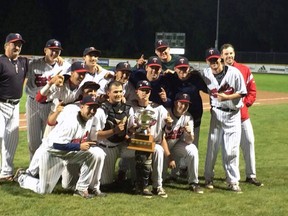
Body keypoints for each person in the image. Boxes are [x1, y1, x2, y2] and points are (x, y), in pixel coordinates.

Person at [13, 95, 106, 198]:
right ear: (82, 106)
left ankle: (82, 189)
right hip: (51, 153)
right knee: (43, 190)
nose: (93, 111)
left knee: (97, 153)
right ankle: (22, 177)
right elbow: (57, 144)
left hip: (68, 152)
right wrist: (79, 146)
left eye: (95, 108)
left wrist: (80, 146)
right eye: (90, 107)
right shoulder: (71, 123)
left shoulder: (89, 118)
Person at [200, 48, 247, 193]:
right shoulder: (205, 73)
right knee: (212, 147)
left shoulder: (234, 73)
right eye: (211, 60)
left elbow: (242, 92)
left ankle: (233, 181)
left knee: (231, 150)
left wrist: (227, 97)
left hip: (233, 115)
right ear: (207, 62)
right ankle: (208, 178)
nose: (214, 63)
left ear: (220, 58)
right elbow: (190, 73)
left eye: (216, 59)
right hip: (216, 114)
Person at [220, 43, 263, 187]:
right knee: (230, 148)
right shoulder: (219, 71)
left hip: (242, 116)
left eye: (231, 53)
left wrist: (245, 104)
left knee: (249, 142)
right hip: (225, 117)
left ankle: (251, 175)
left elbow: (252, 90)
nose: (229, 56)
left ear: (234, 54)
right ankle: (231, 177)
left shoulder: (244, 69)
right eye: (226, 54)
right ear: (221, 56)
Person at [25, 39, 71, 160]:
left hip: (52, 104)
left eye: (58, 51)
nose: (55, 53)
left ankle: (47, 167)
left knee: (50, 138)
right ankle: (33, 169)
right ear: (45, 50)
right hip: (33, 103)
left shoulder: (65, 66)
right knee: (33, 141)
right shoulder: (33, 64)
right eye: (52, 50)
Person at [127, 80, 168, 198]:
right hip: (133, 143)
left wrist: (169, 123)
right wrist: (138, 127)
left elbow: (169, 122)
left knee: (159, 150)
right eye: (142, 90)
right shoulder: (131, 108)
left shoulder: (158, 108)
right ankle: (140, 184)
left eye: (147, 91)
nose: (145, 93)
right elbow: (129, 129)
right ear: (136, 92)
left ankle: (157, 185)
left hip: (151, 143)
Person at [90, 80, 135, 187]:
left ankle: (137, 180)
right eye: (115, 92)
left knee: (142, 152)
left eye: (120, 91)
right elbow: (94, 135)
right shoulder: (101, 110)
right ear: (108, 93)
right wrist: (114, 131)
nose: (118, 94)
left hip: (122, 144)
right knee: (106, 183)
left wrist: (137, 128)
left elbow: (131, 128)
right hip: (107, 146)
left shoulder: (128, 108)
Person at [0, 33, 28, 181]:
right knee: (0, 135)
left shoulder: (23, 62)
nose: (17, 47)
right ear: (6, 46)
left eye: (19, 44)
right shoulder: (1, 61)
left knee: (12, 139)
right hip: (0, 104)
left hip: (15, 106)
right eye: (14, 44)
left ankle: (5, 172)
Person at [162, 92, 203, 194]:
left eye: (186, 104)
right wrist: (170, 157)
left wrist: (189, 133)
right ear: (176, 103)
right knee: (159, 178)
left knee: (192, 149)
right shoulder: (165, 114)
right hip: (162, 148)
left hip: (175, 146)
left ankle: (193, 182)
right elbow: (160, 139)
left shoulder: (188, 117)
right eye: (181, 103)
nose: (184, 106)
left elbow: (189, 141)